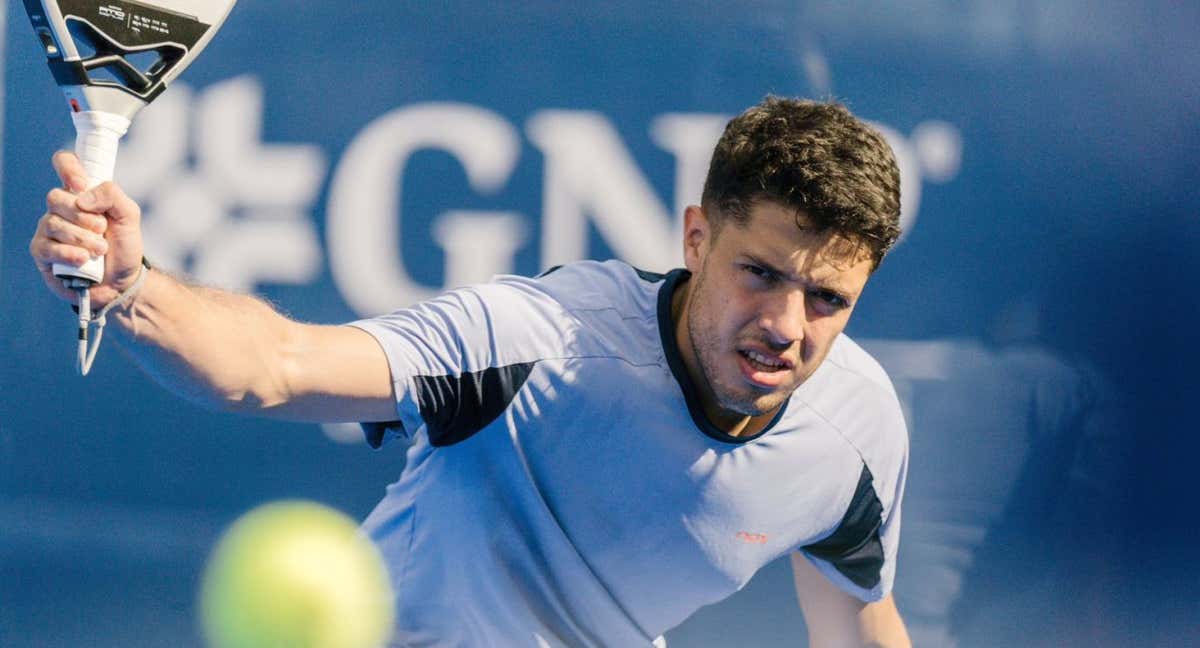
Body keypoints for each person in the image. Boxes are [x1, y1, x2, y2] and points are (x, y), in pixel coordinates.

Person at [30, 97, 911, 647]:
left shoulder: (858, 432)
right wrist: (133, 289)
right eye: (759, 273)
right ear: (696, 238)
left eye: (828, 299)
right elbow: (275, 366)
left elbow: (856, 624)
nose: (785, 327)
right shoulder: (537, 340)